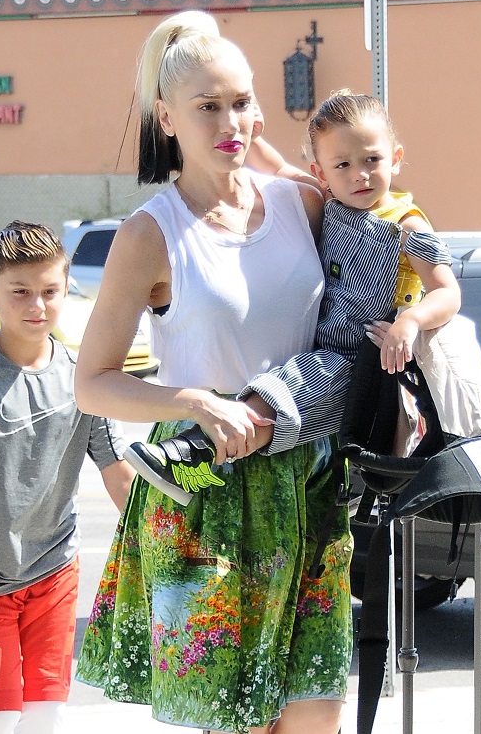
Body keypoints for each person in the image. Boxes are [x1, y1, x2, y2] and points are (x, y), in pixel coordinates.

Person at [74, 10, 353, 734]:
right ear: (166, 118)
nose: (231, 121)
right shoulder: (150, 233)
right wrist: (196, 400)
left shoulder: (303, 202)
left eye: (242, 102)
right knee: (240, 725)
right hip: (206, 487)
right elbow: (92, 381)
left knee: (317, 717)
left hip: (308, 479)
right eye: (207, 106)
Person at [128, 90, 461, 493]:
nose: (359, 174)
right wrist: (249, 133)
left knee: (282, 399)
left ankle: (190, 455)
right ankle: (196, 456)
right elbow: (276, 167)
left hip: (359, 358)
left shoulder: (406, 223)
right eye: (343, 164)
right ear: (321, 173)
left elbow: (447, 292)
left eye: (372, 159)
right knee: (280, 388)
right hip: (317, 346)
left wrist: (410, 322)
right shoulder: (328, 202)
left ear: (396, 157)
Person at [0, 221, 135, 734]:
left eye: (50, 292)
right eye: (21, 292)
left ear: (66, 290)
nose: (37, 305)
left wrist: (165, 546)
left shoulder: (84, 377)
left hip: (54, 572)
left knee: (44, 717)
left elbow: (117, 472)